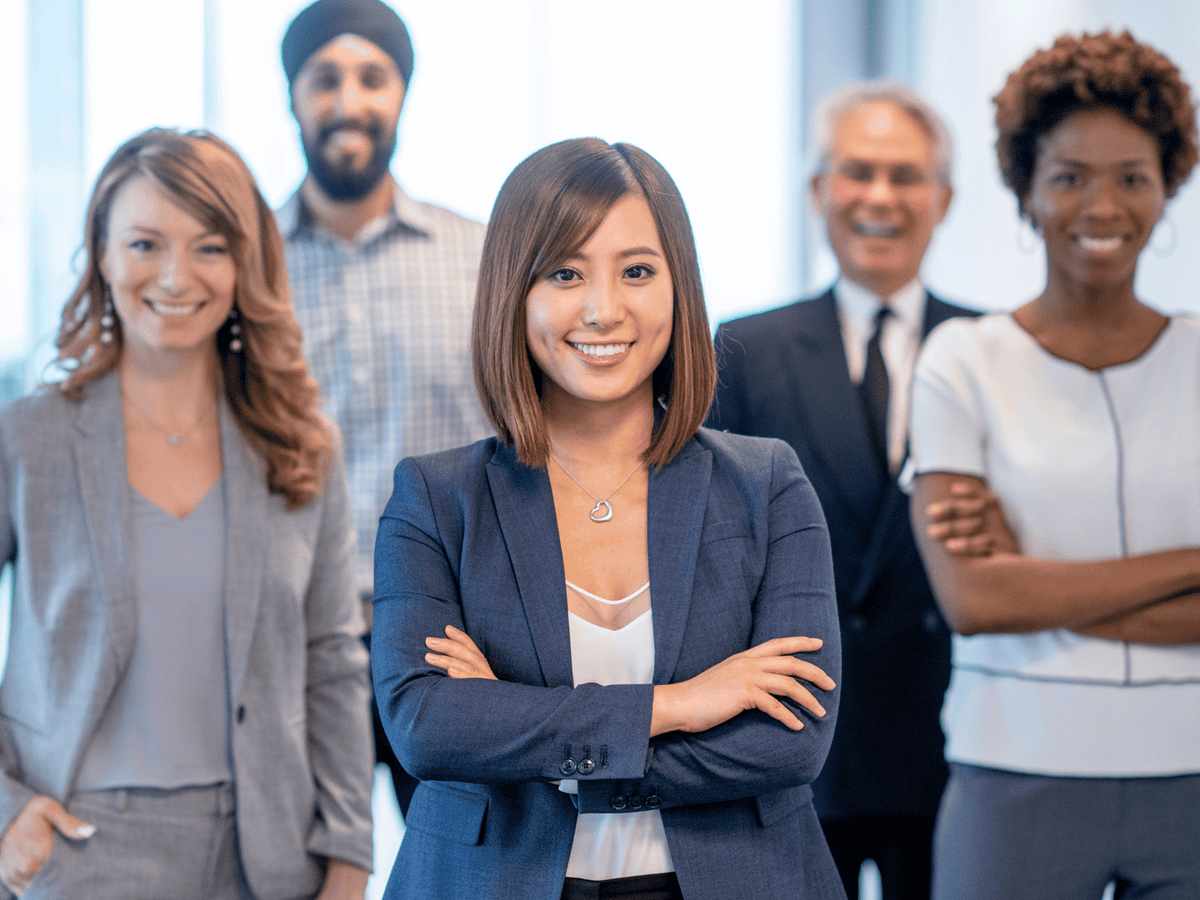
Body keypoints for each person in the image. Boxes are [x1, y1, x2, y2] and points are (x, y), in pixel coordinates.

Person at [0, 128, 373, 900]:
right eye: (145, 243)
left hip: (266, 856)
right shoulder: (22, 442)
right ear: (104, 256)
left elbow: (333, 662)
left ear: (247, 265)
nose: (176, 276)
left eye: (210, 247)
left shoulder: (300, 447)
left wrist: (348, 856)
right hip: (78, 849)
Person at [372, 137, 845, 900]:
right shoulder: (435, 498)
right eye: (565, 273)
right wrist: (680, 705)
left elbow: (791, 740)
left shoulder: (766, 485)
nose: (603, 308)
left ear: (678, 287)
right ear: (512, 293)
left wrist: (533, 742)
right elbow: (427, 725)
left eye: (637, 271)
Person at [907, 31, 1200, 900]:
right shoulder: (961, 362)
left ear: (1167, 189)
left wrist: (1041, 588)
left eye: (1134, 176)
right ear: (1026, 191)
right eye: (1070, 176)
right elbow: (975, 600)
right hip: (1017, 769)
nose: (1104, 205)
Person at [709, 80, 972, 900]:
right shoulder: (744, 350)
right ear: (819, 191)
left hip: (950, 741)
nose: (880, 197)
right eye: (858, 172)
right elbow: (712, 550)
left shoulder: (993, 352)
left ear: (944, 198)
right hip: (796, 741)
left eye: (905, 176)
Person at [276, 0, 490, 816]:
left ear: (402, 94)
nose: (348, 100)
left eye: (374, 77)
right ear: (293, 96)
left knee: (463, 861)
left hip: (448, 636)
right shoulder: (240, 266)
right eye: (324, 78)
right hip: (291, 633)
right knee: (294, 867)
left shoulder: (478, 258)